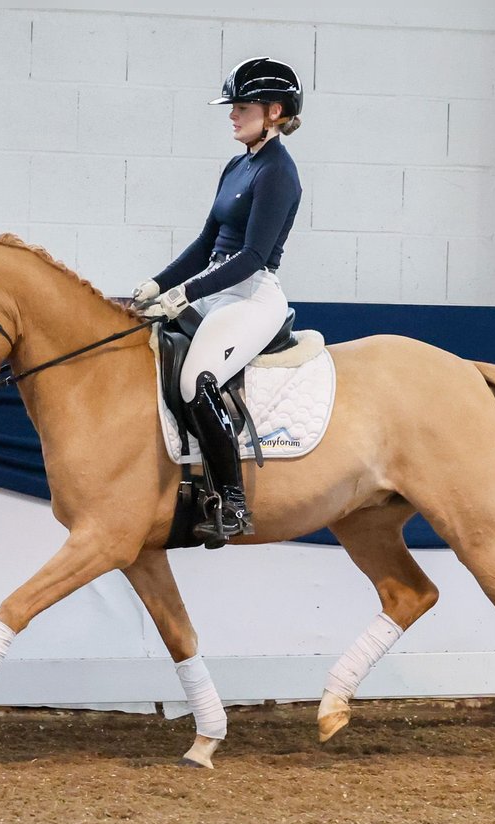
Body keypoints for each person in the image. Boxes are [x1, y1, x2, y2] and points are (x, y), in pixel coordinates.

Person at [132, 57, 304, 545]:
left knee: (196, 379)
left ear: (273, 111)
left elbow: (250, 256)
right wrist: (156, 285)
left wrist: (185, 293)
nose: (232, 115)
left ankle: (232, 502)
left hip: (251, 296)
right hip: (215, 289)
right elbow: (207, 242)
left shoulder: (278, 172)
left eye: (242, 106)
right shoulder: (238, 164)